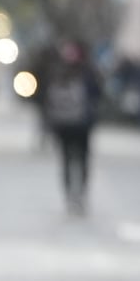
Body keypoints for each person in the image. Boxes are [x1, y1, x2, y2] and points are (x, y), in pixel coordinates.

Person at [40, 39, 102, 214]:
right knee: (81, 160)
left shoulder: (56, 71)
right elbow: (98, 95)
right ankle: (80, 194)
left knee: (66, 160)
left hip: (63, 125)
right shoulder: (88, 71)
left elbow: (45, 98)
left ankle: (70, 196)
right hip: (81, 125)